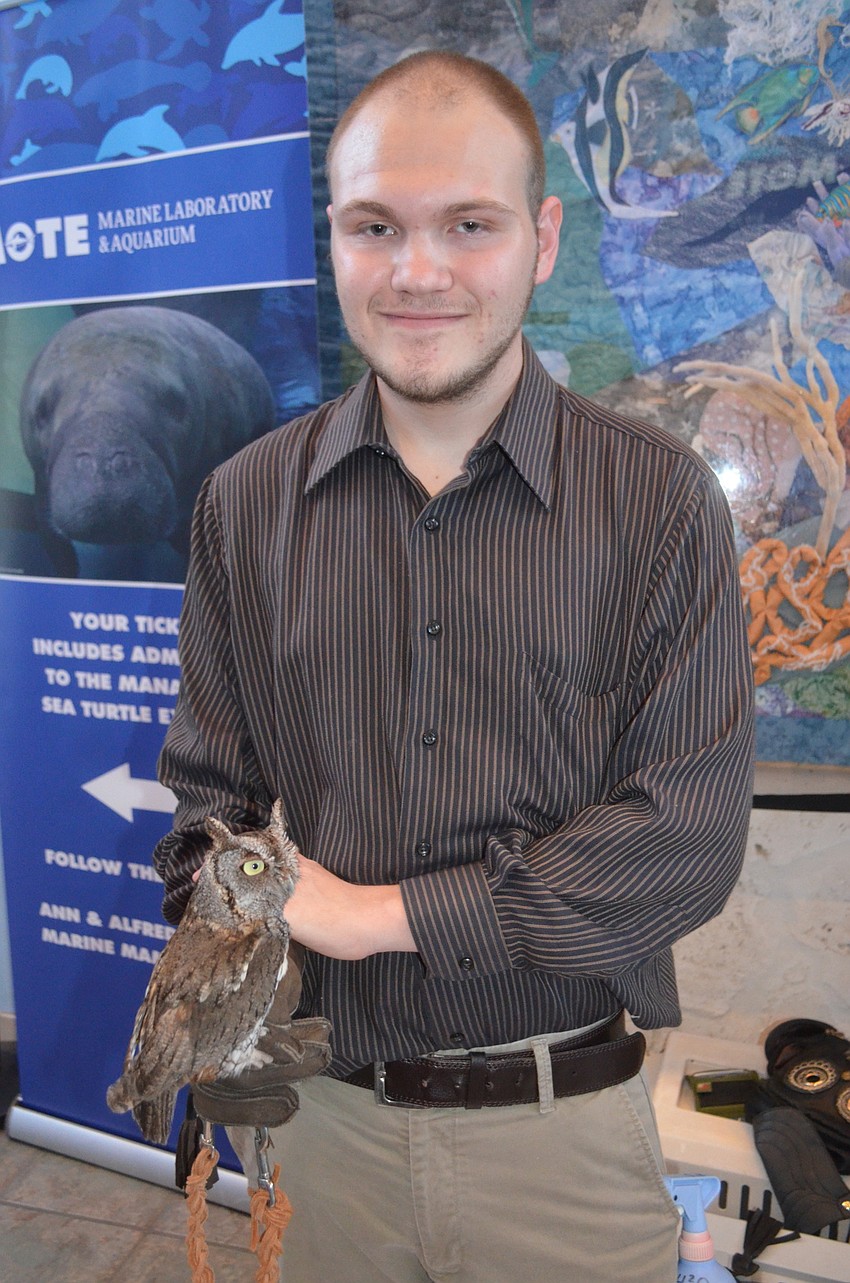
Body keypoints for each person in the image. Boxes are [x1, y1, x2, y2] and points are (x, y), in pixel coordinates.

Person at [154, 50, 755, 1283]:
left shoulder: (657, 501)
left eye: (465, 225)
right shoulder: (242, 504)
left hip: (561, 1148)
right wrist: (227, 922)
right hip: (321, 1141)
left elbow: (681, 838)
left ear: (539, 239)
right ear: (332, 237)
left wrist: (379, 916)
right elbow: (206, 801)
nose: (416, 271)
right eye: (374, 226)